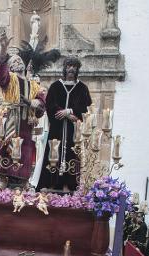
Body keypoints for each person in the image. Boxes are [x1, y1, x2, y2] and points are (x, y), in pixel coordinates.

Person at [0, 31, 46, 188]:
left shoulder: (34, 85)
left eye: (19, 60)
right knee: (4, 145)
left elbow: (42, 104)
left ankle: (23, 181)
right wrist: (3, 50)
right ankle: (3, 178)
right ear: (9, 67)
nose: (17, 62)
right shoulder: (9, 80)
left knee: (25, 149)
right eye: (13, 62)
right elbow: (0, 76)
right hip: (9, 118)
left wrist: (33, 103)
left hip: (25, 122)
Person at [37, 56, 92, 192]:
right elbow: (50, 105)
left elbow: (84, 108)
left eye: (74, 66)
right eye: (69, 66)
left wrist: (69, 111)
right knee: (53, 151)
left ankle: (69, 185)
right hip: (57, 128)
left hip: (73, 131)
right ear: (65, 68)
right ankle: (50, 184)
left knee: (72, 154)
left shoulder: (82, 88)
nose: (71, 69)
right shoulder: (56, 86)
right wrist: (63, 114)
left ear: (77, 69)